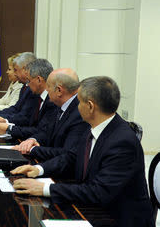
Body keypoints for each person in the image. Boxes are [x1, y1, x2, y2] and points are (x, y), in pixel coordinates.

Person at [11, 76, 154, 227]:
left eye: (78, 102)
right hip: (93, 208)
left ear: (91, 106)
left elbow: (99, 191)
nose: (76, 107)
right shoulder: (95, 126)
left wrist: (45, 188)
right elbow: (71, 157)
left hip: (118, 218)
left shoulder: (122, 141)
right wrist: (39, 169)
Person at [13, 68, 89, 162]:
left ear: (59, 91)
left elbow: (66, 153)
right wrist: (33, 140)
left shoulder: (80, 113)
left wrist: (32, 150)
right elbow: (47, 131)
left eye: (48, 86)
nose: (46, 90)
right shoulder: (60, 104)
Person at [0, 59, 57, 140]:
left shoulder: (53, 101)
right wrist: (6, 121)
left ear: (39, 80)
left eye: (29, 81)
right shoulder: (38, 95)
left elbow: (40, 131)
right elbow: (27, 120)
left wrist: (9, 128)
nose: (28, 85)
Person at [0, 52, 38, 127]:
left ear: (25, 69)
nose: (15, 74)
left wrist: (4, 122)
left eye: (15, 70)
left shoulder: (32, 89)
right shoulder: (25, 85)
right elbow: (15, 108)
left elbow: (24, 117)